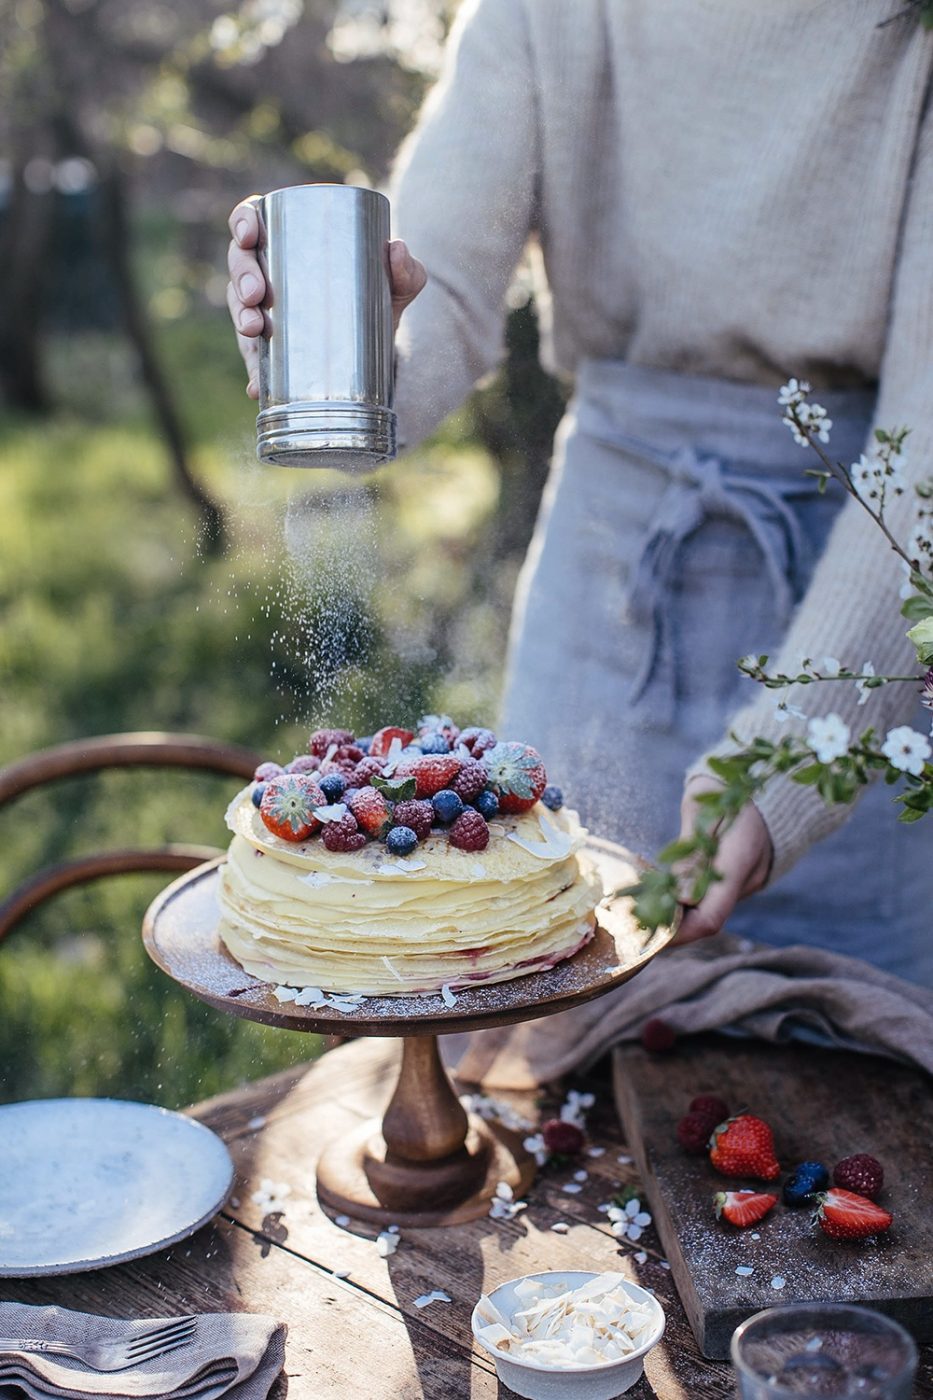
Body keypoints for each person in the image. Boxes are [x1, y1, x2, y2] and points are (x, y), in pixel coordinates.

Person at [226, 0, 933, 984]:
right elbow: (445, 294)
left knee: (856, 1052)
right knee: (531, 997)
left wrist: (787, 766)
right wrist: (341, 356)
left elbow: (926, 444)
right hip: (608, 581)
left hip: (864, 604)